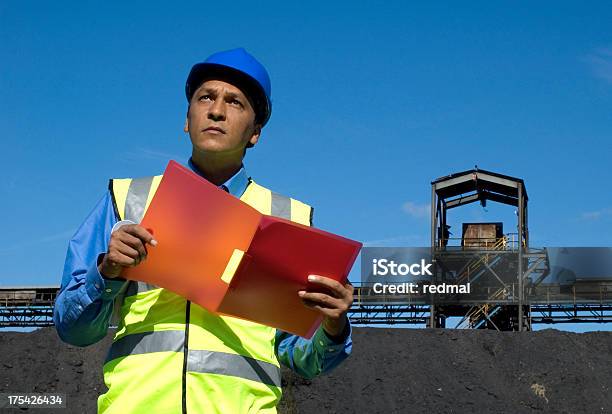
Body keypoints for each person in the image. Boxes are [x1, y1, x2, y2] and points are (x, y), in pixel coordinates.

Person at [53, 48, 354, 414]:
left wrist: (334, 326)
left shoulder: (289, 218)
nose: (216, 110)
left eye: (235, 103)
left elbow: (303, 358)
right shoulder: (127, 201)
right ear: (187, 118)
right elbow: (74, 330)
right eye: (206, 97)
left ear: (255, 132)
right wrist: (108, 274)